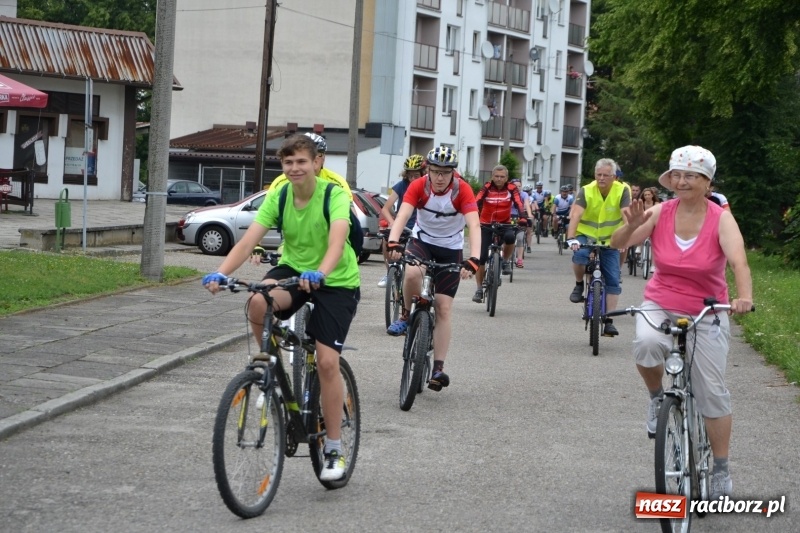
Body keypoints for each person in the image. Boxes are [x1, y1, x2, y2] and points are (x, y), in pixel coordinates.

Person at [202, 134, 360, 482]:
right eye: (288, 163)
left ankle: (333, 446)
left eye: (301, 161)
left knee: (327, 361)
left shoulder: (334, 196)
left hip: (335, 279)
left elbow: (337, 240)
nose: (294, 168)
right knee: (258, 300)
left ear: (317, 163)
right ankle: (270, 367)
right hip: (293, 272)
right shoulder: (281, 195)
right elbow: (247, 242)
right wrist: (221, 272)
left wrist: (321, 272)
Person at [610, 145, 753, 499]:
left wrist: (743, 297)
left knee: (711, 392)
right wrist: (628, 227)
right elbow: (617, 245)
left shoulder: (721, 217)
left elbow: (739, 262)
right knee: (645, 345)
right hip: (662, 302)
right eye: (677, 174)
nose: (682, 181)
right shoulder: (660, 212)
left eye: (691, 175)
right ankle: (658, 397)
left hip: (707, 309)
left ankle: (720, 468)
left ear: (708, 182)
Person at [386, 146, 481, 391]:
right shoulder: (419, 186)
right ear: (427, 170)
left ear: (453, 173)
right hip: (422, 242)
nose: (439, 178)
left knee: (443, 307)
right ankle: (406, 315)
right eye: (435, 171)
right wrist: (394, 241)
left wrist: (474, 259)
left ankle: (438, 368)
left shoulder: (463, 190)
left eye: (445, 173)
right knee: (412, 273)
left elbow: (474, 225)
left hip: (450, 248)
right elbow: (403, 214)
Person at [566, 158, 631, 336]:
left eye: (606, 175)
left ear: (614, 176)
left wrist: (625, 238)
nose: (601, 178)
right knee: (579, 256)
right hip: (585, 234)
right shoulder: (586, 190)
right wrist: (571, 238)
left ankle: (609, 320)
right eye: (598, 174)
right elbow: (576, 215)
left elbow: (626, 215)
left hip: (611, 238)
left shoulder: (622, 190)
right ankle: (579, 285)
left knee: (613, 280)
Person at [473, 168, 529, 302]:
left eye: (502, 176)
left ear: (506, 177)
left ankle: (504, 261)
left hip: (504, 223)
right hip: (486, 224)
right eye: (496, 176)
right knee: (481, 257)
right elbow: (477, 201)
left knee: (510, 237)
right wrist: (472, 215)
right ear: (492, 176)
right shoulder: (486, 187)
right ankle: (479, 289)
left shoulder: (511, 188)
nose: (499, 179)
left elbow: (518, 203)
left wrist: (523, 217)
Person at [377, 154, 425, 288]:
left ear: (423, 174)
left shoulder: (427, 186)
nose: (413, 179)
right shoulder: (401, 186)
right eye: (410, 175)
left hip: (419, 228)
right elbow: (386, 208)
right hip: (403, 226)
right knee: (385, 240)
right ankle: (390, 272)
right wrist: (392, 222)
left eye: (416, 175)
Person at [267, 132, 352, 200]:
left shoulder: (337, 183)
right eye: (289, 162)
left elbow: (349, 215)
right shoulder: (280, 183)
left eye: (318, 155)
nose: (295, 168)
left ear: (323, 158)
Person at [508, 177, 534, 268]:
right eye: (515, 186)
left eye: (519, 186)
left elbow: (526, 204)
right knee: (507, 238)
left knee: (519, 238)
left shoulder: (524, 195)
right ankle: (506, 258)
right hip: (508, 217)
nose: (518, 187)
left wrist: (529, 215)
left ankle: (519, 259)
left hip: (520, 217)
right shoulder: (507, 194)